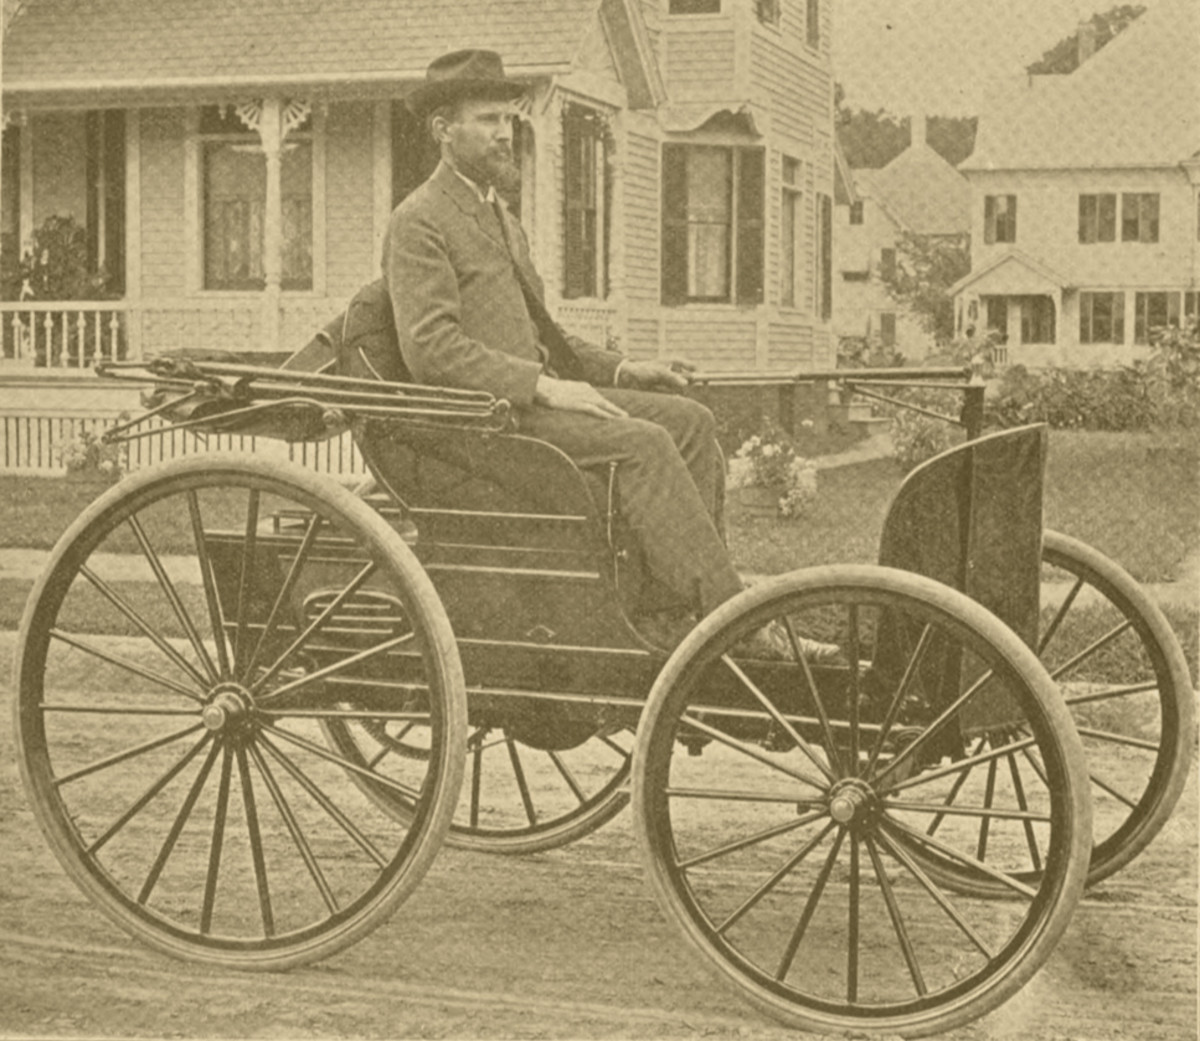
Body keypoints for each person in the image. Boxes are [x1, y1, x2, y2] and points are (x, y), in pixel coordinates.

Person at [383, 49, 835, 659]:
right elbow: (431, 350)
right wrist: (541, 386)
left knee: (690, 422)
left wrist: (625, 370)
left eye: (508, 118)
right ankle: (732, 625)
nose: (504, 132)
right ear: (443, 130)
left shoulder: (498, 214)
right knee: (645, 441)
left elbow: (547, 332)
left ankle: (676, 609)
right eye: (487, 119)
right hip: (485, 425)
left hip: (529, 408)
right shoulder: (419, 220)